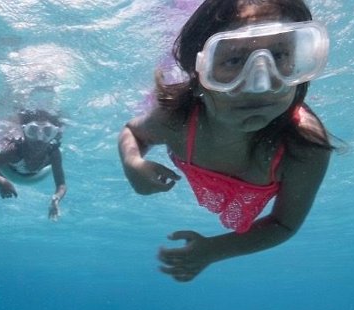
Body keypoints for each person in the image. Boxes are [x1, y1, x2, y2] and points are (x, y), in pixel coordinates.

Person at [118, 0, 336, 282]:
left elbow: (284, 224)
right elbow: (133, 132)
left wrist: (213, 251)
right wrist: (132, 162)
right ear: (199, 75)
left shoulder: (304, 147)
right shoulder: (176, 119)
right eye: (233, 60)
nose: (260, 84)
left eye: (280, 55)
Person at [0, 109, 67, 221]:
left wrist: (56, 198)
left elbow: (61, 185)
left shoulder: (53, 153)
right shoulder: (15, 150)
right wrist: (1, 182)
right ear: (24, 131)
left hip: (15, 169)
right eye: (32, 131)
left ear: (54, 134)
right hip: (5, 167)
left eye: (47, 132)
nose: (39, 138)